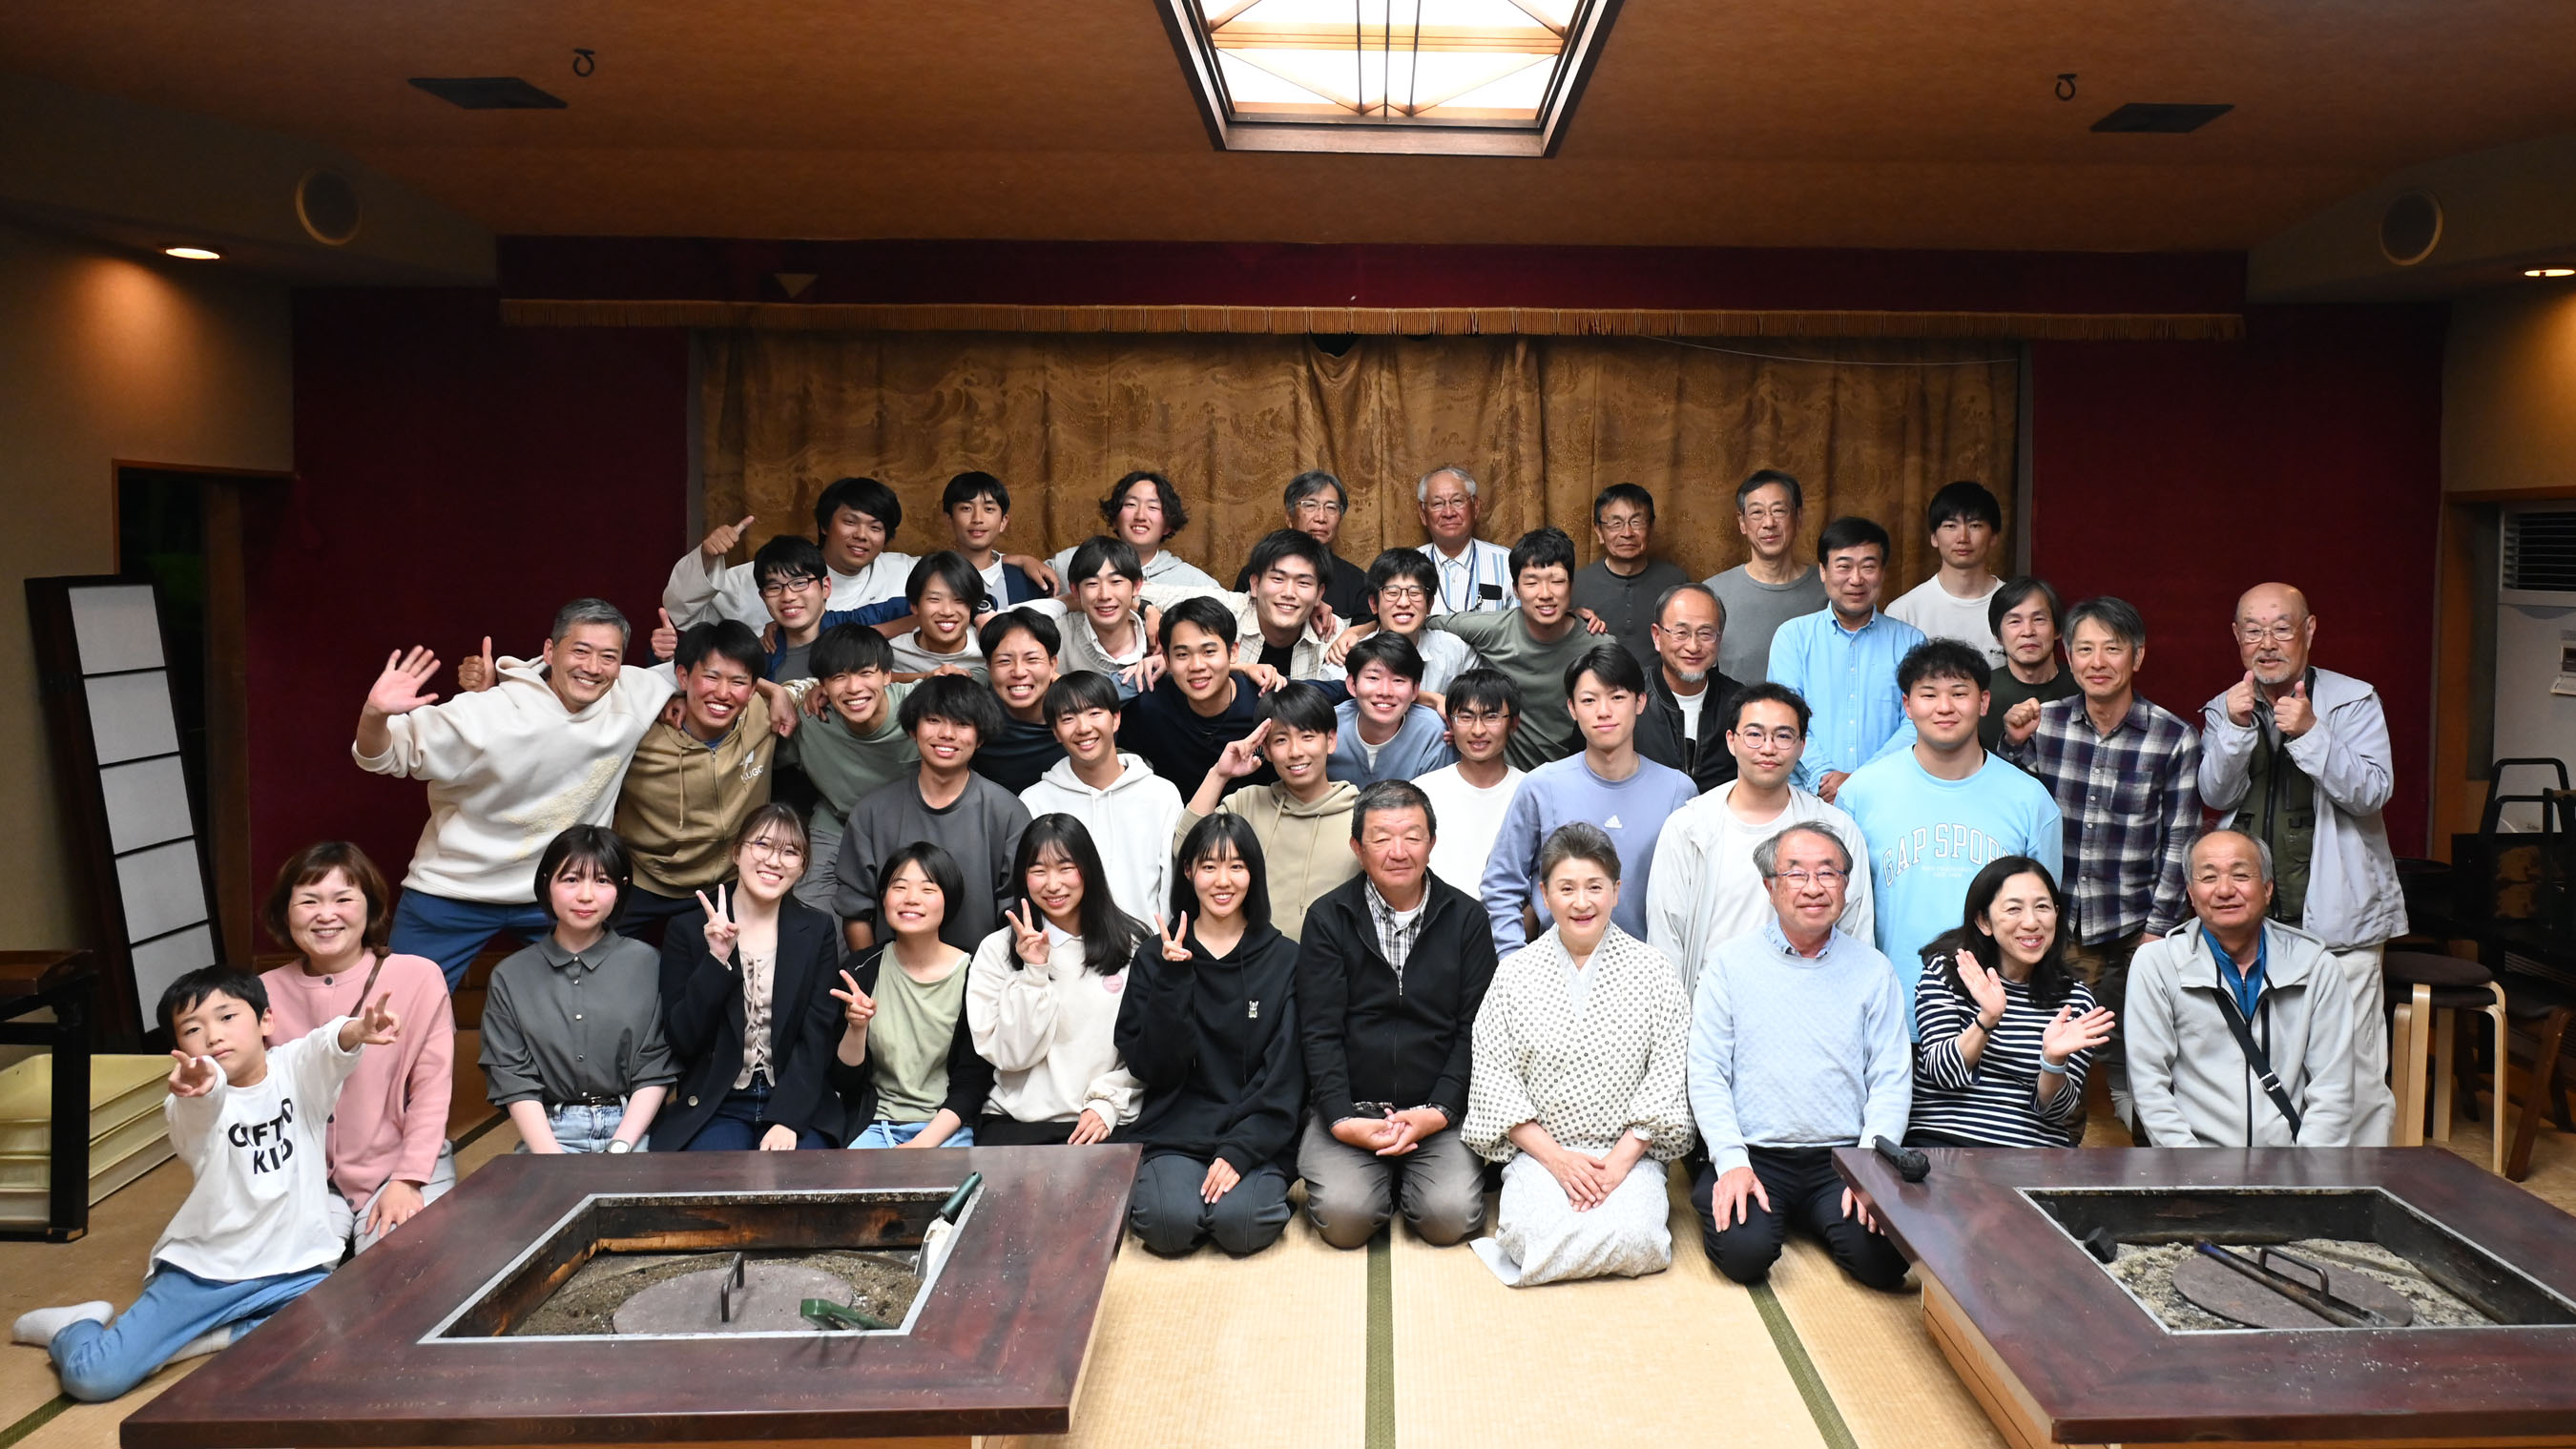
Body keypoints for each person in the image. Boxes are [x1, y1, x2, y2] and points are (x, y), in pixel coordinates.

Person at [10, 968, 398, 1402]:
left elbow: (325, 1046)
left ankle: (212, 1337)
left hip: (296, 1272)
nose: (213, 1036)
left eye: (227, 1017)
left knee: (349, 1342)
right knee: (93, 1378)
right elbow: (201, 1113)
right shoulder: (188, 1102)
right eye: (193, 1029)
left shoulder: (296, 1072)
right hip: (206, 1274)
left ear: (265, 1020)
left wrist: (356, 1030)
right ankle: (73, 1327)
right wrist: (199, 1091)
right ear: (179, 1046)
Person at [358, 599, 676, 989]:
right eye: (580, 651)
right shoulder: (487, 712)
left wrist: (759, 689)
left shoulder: (634, 694)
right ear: (549, 651)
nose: (593, 667)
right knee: (396, 1004)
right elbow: (383, 756)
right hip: (456, 886)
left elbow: (707, 678)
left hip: (559, 892)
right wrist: (375, 714)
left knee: (589, 1008)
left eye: (608, 657)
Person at [2195, 582, 2402, 1147]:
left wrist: (2312, 732)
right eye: (2253, 631)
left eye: (2281, 628)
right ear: (2237, 637)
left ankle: (2362, 1183)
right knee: (2268, 1061)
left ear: (2309, 631)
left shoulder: (2353, 700)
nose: (2267, 643)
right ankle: (2279, 1181)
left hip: (2339, 919)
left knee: (2354, 1069)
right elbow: (2215, 793)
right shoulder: (2226, 706)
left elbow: (2371, 792)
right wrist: (2236, 730)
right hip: (2254, 922)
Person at [1997, 596, 2200, 1128]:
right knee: (2053, 1056)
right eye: (2084, 649)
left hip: (2136, 930)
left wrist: (2157, 932)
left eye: (2113, 648)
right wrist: (2012, 743)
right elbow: (2009, 804)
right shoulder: (2046, 724)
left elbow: (2180, 840)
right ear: (2068, 656)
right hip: (2060, 928)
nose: (2098, 661)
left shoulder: (2173, 737)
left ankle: (2148, 1163)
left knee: (2141, 1064)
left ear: (2138, 656)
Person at [1463, 824, 1693, 1288]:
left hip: (1628, 1153)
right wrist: (1559, 1161)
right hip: (1542, 1153)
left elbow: (1669, 1073)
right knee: (1529, 1236)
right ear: (1545, 895)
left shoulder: (1654, 970)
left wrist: (1618, 1165)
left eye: (1595, 887)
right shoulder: (1515, 974)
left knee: (1640, 1240)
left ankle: (1564, 1250)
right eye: (1566, 888)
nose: (1582, 902)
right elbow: (1494, 1077)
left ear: (1616, 891)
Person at [1688, 824, 1911, 1292]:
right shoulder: (1728, 964)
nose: (1813, 887)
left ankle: (1816, 1215)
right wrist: (1730, 1160)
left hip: (1843, 1158)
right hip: (1755, 1155)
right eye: (1796, 874)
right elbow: (1706, 1072)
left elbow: (1891, 1076)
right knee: (1744, 1256)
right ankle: (1773, 1208)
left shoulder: (1874, 970)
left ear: (1846, 885)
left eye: (1828, 873)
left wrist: (1869, 1168)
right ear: (1770, 886)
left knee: (1883, 1262)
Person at [1297, 780, 1498, 1249]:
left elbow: (1475, 1031)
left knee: (1448, 1218)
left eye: (1412, 836)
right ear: (1357, 847)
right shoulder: (1328, 918)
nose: (1398, 851)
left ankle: (1405, 1179)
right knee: (1345, 1221)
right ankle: (1377, 1180)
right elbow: (1319, 1032)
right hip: (1353, 1110)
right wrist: (1341, 1118)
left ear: (1432, 841)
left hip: (1436, 1113)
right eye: (1382, 838)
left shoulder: (1467, 919)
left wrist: (1439, 1111)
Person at [1836, 641, 2063, 1020]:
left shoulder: (2031, 800)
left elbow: (2043, 919)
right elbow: (1842, 912)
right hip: (1888, 1012)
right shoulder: (1861, 793)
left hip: (2000, 1016)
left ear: (1984, 702)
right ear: (1907, 705)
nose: (1944, 707)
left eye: (1959, 693)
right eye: (1928, 695)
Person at [1116, 815, 1305, 1256]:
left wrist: (1242, 1149)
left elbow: (1286, 1074)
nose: (1223, 880)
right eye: (1208, 866)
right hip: (1174, 1133)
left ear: (1253, 873)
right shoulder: (1155, 956)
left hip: (1256, 1133)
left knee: (1243, 1226)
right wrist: (1172, 979)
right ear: (1188, 872)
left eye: (1236, 866)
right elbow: (1151, 1068)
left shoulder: (1285, 959)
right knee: (1168, 1225)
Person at [256, 842, 454, 1255]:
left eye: (343, 899)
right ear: (285, 913)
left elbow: (432, 1090)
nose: (326, 914)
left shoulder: (418, 976)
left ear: (370, 908)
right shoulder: (262, 992)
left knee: (400, 1265)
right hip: (301, 1178)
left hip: (400, 1163)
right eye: (309, 901)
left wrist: (408, 1179)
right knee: (279, 1273)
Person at [2126, 830, 2360, 1148]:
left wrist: (2306, 1171)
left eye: (2240, 875)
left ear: (2267, 888)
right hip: (2193, 1162)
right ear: (2191, 894)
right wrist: (2190, 1168)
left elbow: (2333, 1090)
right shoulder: (2157, 964)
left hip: (2291, 1162)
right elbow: (2149, 1084)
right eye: (2209, 877)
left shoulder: (2316, 967)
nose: (2225, 890)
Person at [1646, 684, 1874, 995]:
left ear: (1802, 746)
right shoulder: (1689, 827)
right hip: (1711, 1010)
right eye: (1754, 734)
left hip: (1810, 1008)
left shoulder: (1837, 831)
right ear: (1731, 740)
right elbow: (1666, 941)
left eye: (1783, 736)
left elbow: (1856, 936)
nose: (1768, 748)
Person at [653, 806, 845, 1150]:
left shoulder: (816, 930)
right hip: (716, 1104)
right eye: (762, 845)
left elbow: (818, 1035)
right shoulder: (687, 929)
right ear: (736, 852)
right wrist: (716, 960)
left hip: (796, 1100)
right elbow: (682, 1039)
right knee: (717, 1179)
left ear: (802, 867)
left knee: (799, 1179)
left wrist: (788, 1118)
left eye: (790, 852)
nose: (774, 861)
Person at [1484, 644, 1696, 955]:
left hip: (1647, 970)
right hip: (1555, 967)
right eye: (1589, 700)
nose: (1603, 711)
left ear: (1640, 702)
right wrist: (1513, 960)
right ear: (1572, 708)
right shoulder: (1541, 786)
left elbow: (1693, 897)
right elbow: (1501, 884)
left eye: (1617, 697)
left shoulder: (1678, 791)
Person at [477, 827, 676, 1153]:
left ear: (621, 889)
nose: (586, 895)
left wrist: (621, 1146)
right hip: (550, 1133)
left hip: (635, 1129)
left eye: (602, 881)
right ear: (547, 885)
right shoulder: (510, 975)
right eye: (571, 880)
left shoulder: (648, 963)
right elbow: (513, 1078)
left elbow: (655, 1066)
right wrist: (552, 1160)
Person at [966, 816, 1151, 1146]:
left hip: (1104, 1121)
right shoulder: (996, 950)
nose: (1053, 884)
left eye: (1066, 868)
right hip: (1016, 1124)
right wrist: (1034, 973)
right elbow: (1011, 1056)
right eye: (1038, 871)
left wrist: (1108, 1103)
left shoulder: (1133, 944)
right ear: (1023, 877)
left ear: (1088, 869)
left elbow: (1148, 1048)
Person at [1908, 858, 2112, 1149]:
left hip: (2030, 1152)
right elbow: (1943, 1075)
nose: (2031, 922)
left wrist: (2053, 1061)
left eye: (2042, 907)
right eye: (2014, 909)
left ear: (2056, 915)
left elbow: (2058, 1112)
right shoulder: (1950, 971)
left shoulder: (2075, 999)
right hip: (1942, 1144)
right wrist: (1987, 1019)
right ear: (1984, 921)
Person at [613, 620, 795, 937]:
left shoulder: (765, 713)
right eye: (711, 677)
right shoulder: (639, 729)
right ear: (683, 677)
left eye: (738, 682)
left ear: (753, 688)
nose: (722, 693)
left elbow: (823, 687)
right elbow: (596, 686)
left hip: (728, 881)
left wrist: (777, 691)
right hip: (645, 879)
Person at [832, 673, 1030, 956]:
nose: (947, 734)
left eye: (962, 724)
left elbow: (1016, 913)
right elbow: (855, 911)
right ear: (913, 730)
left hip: (984, 975)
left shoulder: (1007, 812)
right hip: (892, 976)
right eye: (934, 720)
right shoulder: (872, 813)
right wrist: (872, 974)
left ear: (980, 737)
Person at [832, 844, 991, 1149]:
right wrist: (856, 1028)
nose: (911, 898)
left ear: (949, 900)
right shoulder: (861, 971)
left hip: (946, 1129)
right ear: (883, 898)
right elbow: (843, 1082)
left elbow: (973, 1080)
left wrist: (922, 1144)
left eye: (927, 889)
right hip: (874, 1126)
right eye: (899, 887)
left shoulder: (975, 974)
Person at [1178, 683, 1361, 942]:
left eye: (1307, 737)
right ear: (1266, 749)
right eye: (1281, 740)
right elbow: (1185, 850)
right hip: (1252, 959)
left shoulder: (1362, 816)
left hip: (1330, 961)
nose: (1295, 752)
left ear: (1330, 740)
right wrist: (1219, 774)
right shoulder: (1247, 804)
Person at [1766, 515, 1926, 800]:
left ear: (1882, 572)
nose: (1856, 579)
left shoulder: (1911, 641)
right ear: (1823, 571)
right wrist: (1825, 777)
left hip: (1888, 797)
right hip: (1807, 797)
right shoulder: (1793, 637)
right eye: (1844, 566)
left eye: (1868, 566)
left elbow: (1917, 721)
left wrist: (1862, 780)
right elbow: (1782, 717)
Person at [1428, 528, 1600, 770]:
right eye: (1531, 583)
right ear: (1516, 590)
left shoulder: (1597, 645)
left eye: (1557, 581)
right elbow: (1422, 623)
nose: (1545, 594)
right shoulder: (1493, 629)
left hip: (1572, 774)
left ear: (1571, 585)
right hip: (1504, 777)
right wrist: (1432, 699)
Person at [1021, 671, 1186, 922]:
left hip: (1147, 943)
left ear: (1116, 719)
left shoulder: (1161, 794)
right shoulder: (1034, 801)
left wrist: (1159, 940)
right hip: (1062, 945)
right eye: (1068, 718)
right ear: (1055, 732)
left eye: (1094, 713)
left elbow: (1171, 885)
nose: (1084, 728)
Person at [777, 625, 917, 913]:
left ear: (887, 675)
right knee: (808, 911)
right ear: (822, 684)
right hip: (838, 823)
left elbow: (978, 678)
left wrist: (926, 676)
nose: (853, 688)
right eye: (839, 677)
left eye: (865, 673)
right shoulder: (810, 719)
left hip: (912, 825)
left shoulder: (919, 706)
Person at [665, 476, 917, 627]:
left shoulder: (904, 573)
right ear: (824, 525)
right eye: (850, 522)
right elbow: (682, 615)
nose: (862, 535)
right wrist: (707, 557)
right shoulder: (762, 576)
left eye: (875, 527)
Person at [1116, 596, 1275, 792]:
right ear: (1166, 660)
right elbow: (1086, 699)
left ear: (1233, 652)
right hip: (1179, 811)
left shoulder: (1268, 701)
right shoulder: (1150, 706)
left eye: (1209, 651)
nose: (1197, 666)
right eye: (1182, 655)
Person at [1152, 529, 1340, 682]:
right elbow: (1139, 590)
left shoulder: (1330, 631)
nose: (1289, 593)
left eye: (1303, 583)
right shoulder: (1227, 608)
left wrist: (1355, 632)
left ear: (1319, 594)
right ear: (1255, 585)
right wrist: (1147, 610)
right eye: (1277, 579)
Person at [1705, 470, 1828, 684]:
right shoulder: (1714, 593)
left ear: (1798, 517)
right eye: (1757, 513)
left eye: (1779, 511)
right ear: (1742, 522)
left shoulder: (1829, 588)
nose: (1769, 522)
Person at [1412, 669, 1527, 899]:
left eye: (1491, 717)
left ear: (1513, 723)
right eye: (1465, 717)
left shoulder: (1531, 791)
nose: (1478, 730)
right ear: (1450, 723)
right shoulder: (1421, 793)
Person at [1885, 481, 2008, 669]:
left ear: (1993, 536)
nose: (1963, 538)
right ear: (1934, 537)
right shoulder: (1903, 613)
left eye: (1975, 525)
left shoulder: (2016, 607)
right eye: (1951, 526)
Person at [1571, 484, 1691, 676]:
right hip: (1598, 688)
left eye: (1636, 522)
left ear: (1651, 527)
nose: (1627, 533)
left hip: (1663, 689)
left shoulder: (1677, 582)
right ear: (1599, 531)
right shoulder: (1576, 585)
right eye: (1615, 524)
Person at [1634, 582, 1742, 793]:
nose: (1693, 647)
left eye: (1705, 634)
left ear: (1719, 639)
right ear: (1657, 636)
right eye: (1681, 632)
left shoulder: (1741, 705)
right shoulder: (1626, 699)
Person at [1334, 549, 1477, 699]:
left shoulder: (1455, 652)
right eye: (1392, 593)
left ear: (1429, 604)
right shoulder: (1345, 659)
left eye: (1414, 593)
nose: (1403, 603)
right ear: (1374, 604)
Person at [1234, 469, 1371, 623]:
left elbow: (1369, 633)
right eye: (1310, 505)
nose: (1321, 517)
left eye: (1331, 508)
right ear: (1289, 518)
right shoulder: (1257, 572)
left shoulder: (1358, 582)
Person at [1047, 470, 1220, 591]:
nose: (1140, 516)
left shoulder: (1193, 582)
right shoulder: (1072, 561)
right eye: (1131, 504)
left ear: (1168, 526)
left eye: (1153, 507)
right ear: (1115, 519)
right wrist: (1028, 562)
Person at [1326, 632, 1457, 786]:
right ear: (1352, 685)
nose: (1385, 691)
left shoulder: (1435, 734)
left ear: (1415, 690)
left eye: (1398, 680)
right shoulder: (1327, 726)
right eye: (1373, 678)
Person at [974, 609, 1069, 794]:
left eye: (1032, 659)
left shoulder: (1087, 706)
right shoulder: (972, 715)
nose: (1019, 672)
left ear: (1052, 665)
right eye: (1004, 661)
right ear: (989, 667)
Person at [1980, 577, 2079, 753]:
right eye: (2015, 621)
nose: (2028, 631)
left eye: (2039, 619)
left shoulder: (2082, 687)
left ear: (2058, 630)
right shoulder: (1980, 692)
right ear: (1997, 636)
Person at [1045, 536, 1158, 683]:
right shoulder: (1055, 635)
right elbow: (1014, 618)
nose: (1105, 595)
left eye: (1116, 581)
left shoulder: (1161, 635)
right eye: (1092, 583)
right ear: (1075, 590)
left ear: (1137, 586)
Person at [942, 470, 1052, 607]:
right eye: (966, 508)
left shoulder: (1027, 584)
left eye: (988, 509)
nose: (977, 519)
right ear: (949, 520)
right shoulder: (928, 576)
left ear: (1003, 522)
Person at [1415, 464, 1516, 613]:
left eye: (1457, 501)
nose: (1448, 513)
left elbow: (1519, 625)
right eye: (1437, 504)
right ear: (1423, 514)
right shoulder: (1407, 568)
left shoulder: (1507, 563)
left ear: (1476, 507)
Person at [885, 551, 989, 681]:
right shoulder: (894, 654)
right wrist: (924, 677)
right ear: (914, 606)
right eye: (934, 599)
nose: (947, 611)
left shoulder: (990, 649)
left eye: (959, 600)